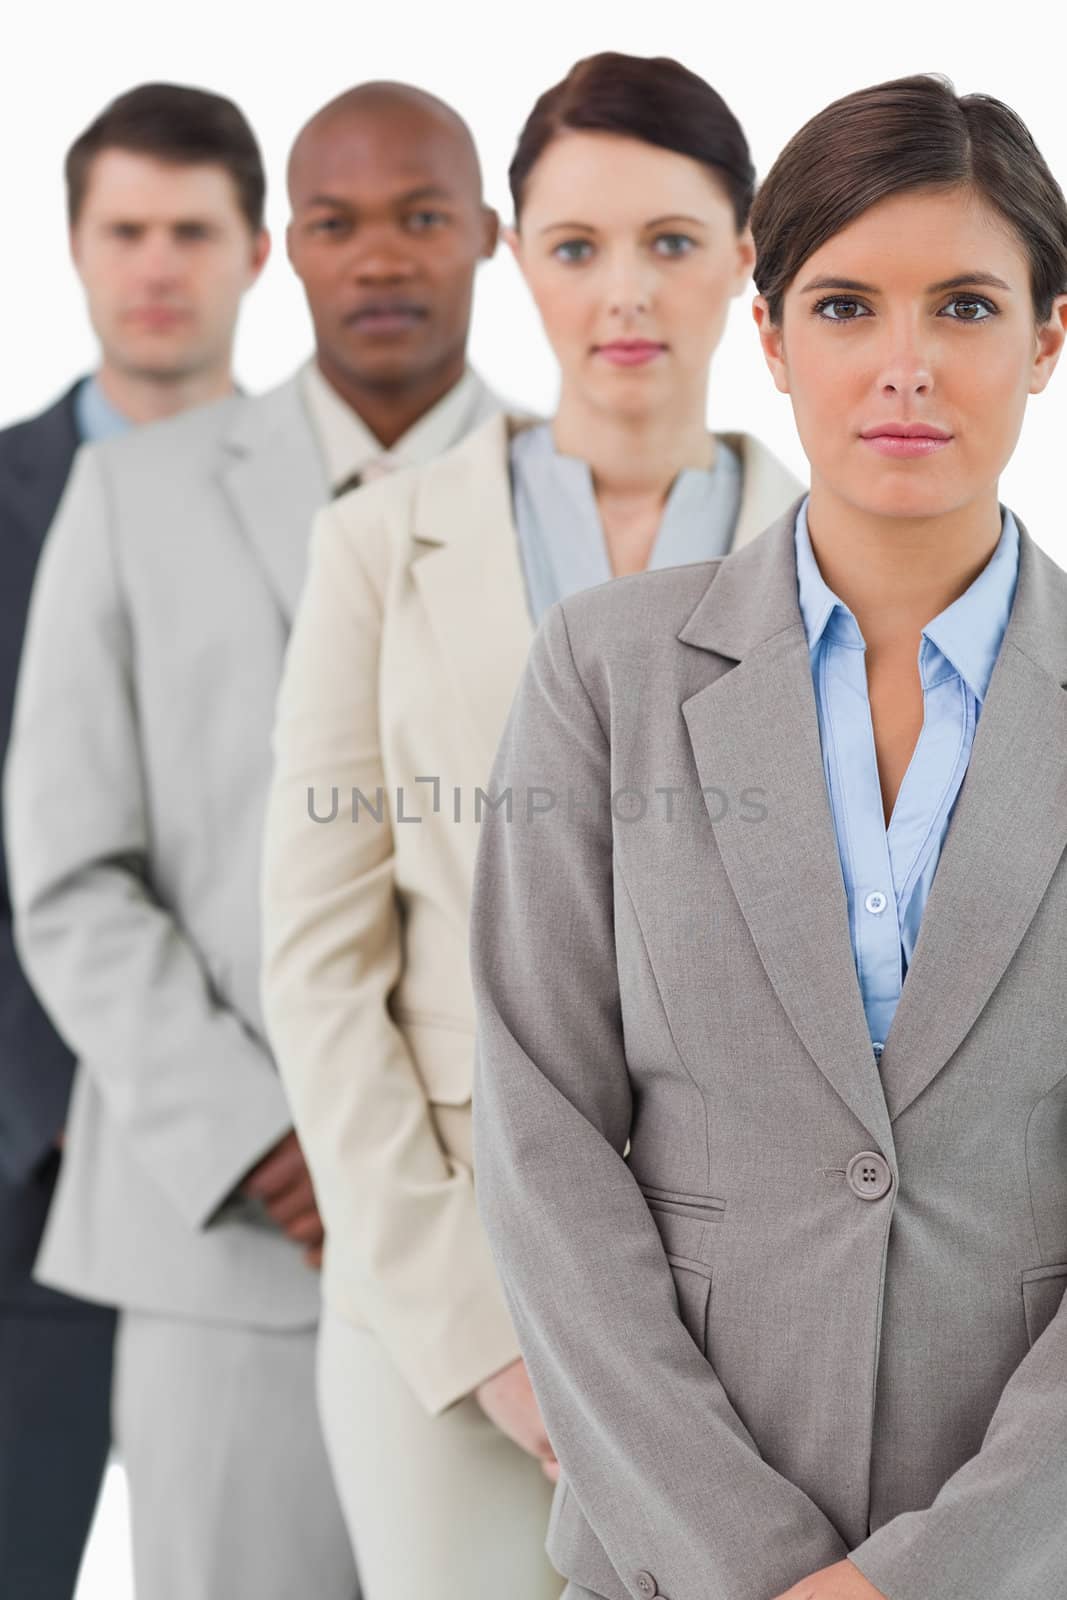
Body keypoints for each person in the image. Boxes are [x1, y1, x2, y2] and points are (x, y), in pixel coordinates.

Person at [469, 72, 1067, 1600]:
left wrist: (931, 1575)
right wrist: (750, 1568)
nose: (908, 368)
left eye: (968, 309)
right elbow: (542, 1136)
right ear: (773, 338)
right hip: (669, 1554)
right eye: (850, 306)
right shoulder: (606, 669)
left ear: (1050, 339)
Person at [259, 53, 800, 1600]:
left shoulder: (836, 555)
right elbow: (317, 961)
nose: (624, 293)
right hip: (444, 1274)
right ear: (516, 257)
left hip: (747, 1302)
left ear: (746, 255)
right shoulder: (378, 545)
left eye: (673, 243)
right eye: (576, 248)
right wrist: (474, 1324)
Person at [4, 79, 501, 1600]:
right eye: (341, 225)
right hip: (225, 1247)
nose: (383, 260)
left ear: (488, 236)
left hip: (514, 1253)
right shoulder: (132, 493)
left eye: (423, 219)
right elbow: (72, 873)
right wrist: (259, 1139)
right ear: (292, 249)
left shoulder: (577, 493)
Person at [0, 82, 268, 1598]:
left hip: (280, 1200)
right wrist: (53, 1120)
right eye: (127, 231)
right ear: (75, 248)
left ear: (255, 252)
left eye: (192, 230)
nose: (157, 264)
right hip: (25, 1174)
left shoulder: (359, 506)